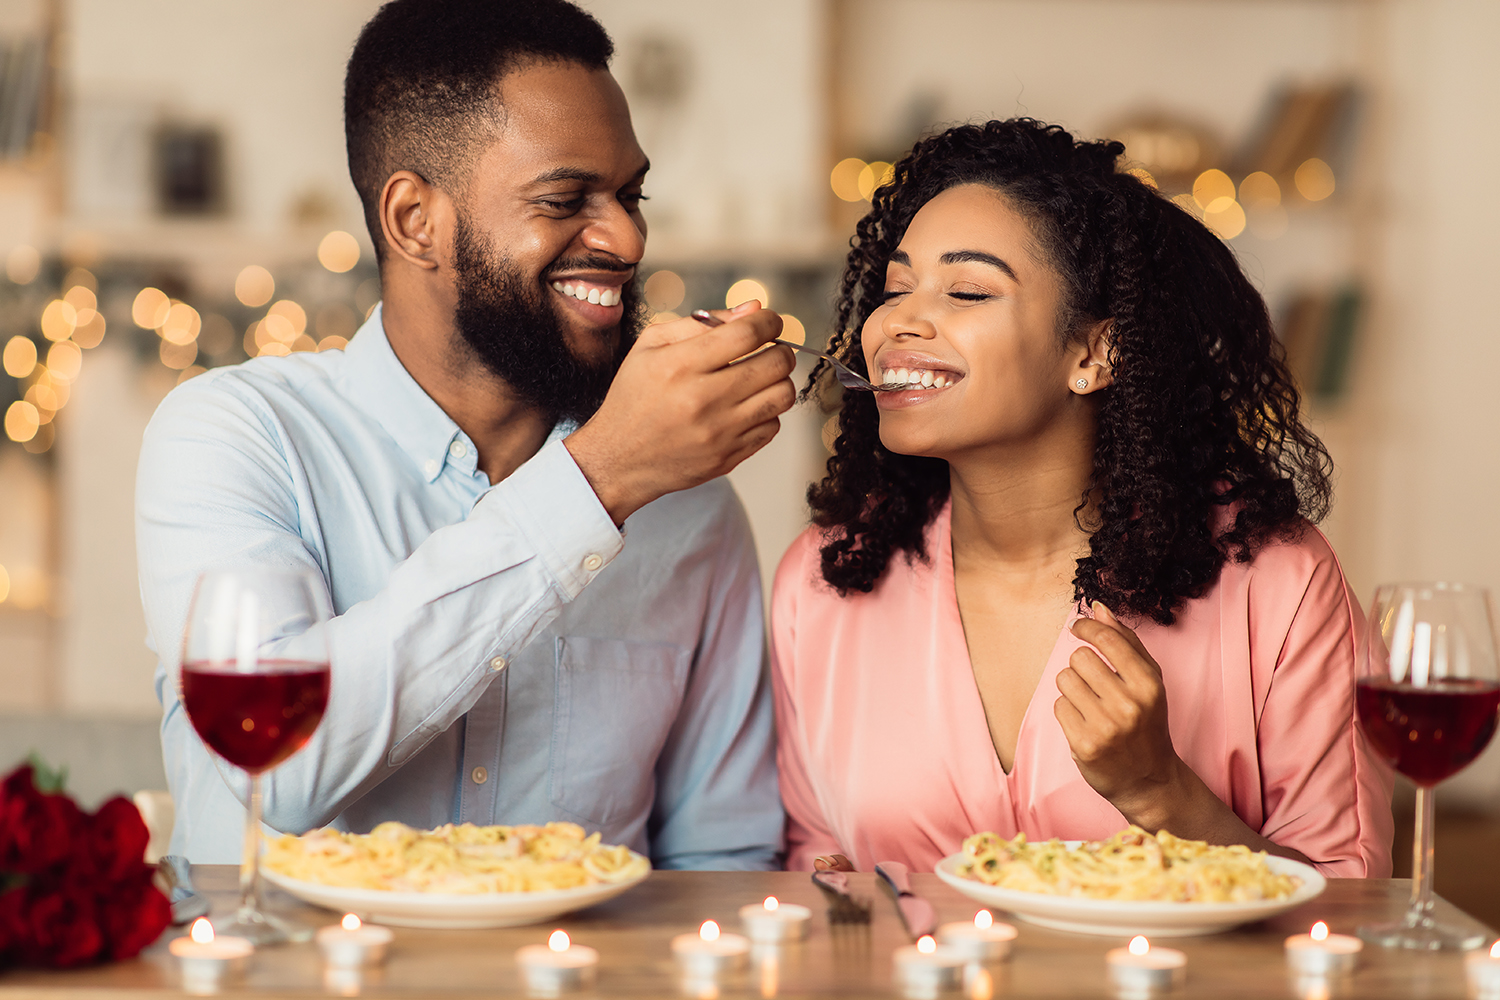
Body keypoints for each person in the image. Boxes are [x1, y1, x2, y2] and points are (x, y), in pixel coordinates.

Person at [136, 0, 795, 866]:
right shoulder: (236, 436)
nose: (628, 238)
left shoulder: (691, 504)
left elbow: (722, 860)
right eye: (566, 199)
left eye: (631, 194)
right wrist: (599, 482)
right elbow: (275, 767)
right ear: (415, 220)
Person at [770, 119, 1393, 876]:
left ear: (1096, 353)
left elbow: (1347, 909)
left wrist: (1161, 792)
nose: (898, 320)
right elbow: (813, 860)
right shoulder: (825, 579)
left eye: (967, 290)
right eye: (896, 287)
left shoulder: (1277, 583)